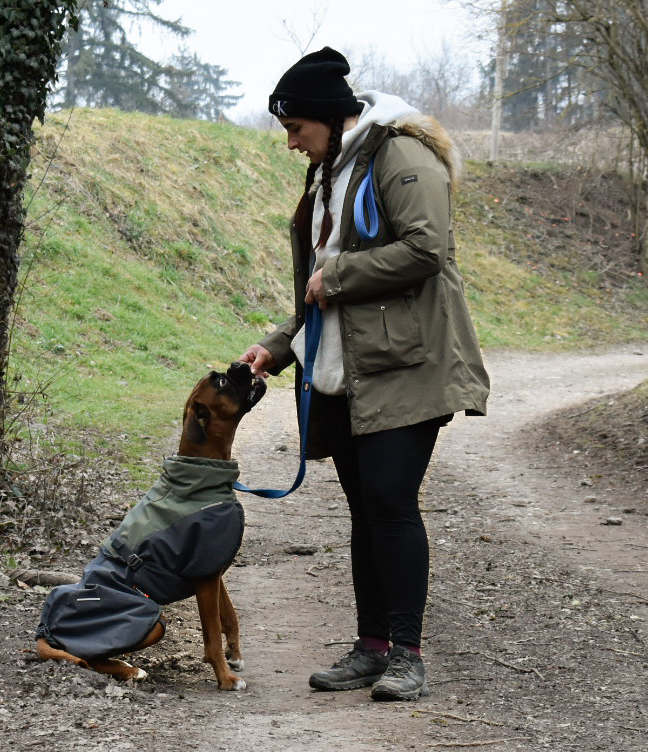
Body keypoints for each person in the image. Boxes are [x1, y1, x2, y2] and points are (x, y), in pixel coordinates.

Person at [240, 47, 490, 702]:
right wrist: (278, 347)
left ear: (328, 117)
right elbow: (319, 288)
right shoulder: (330, 170)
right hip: (345, 368)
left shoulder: (399, 154)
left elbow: (426, 248)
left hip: (408, 363)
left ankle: (407, 656)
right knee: (364, 508)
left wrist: (340, 276)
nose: (291, 143)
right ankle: (372, 647)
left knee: (389, 501)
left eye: (296, 128)